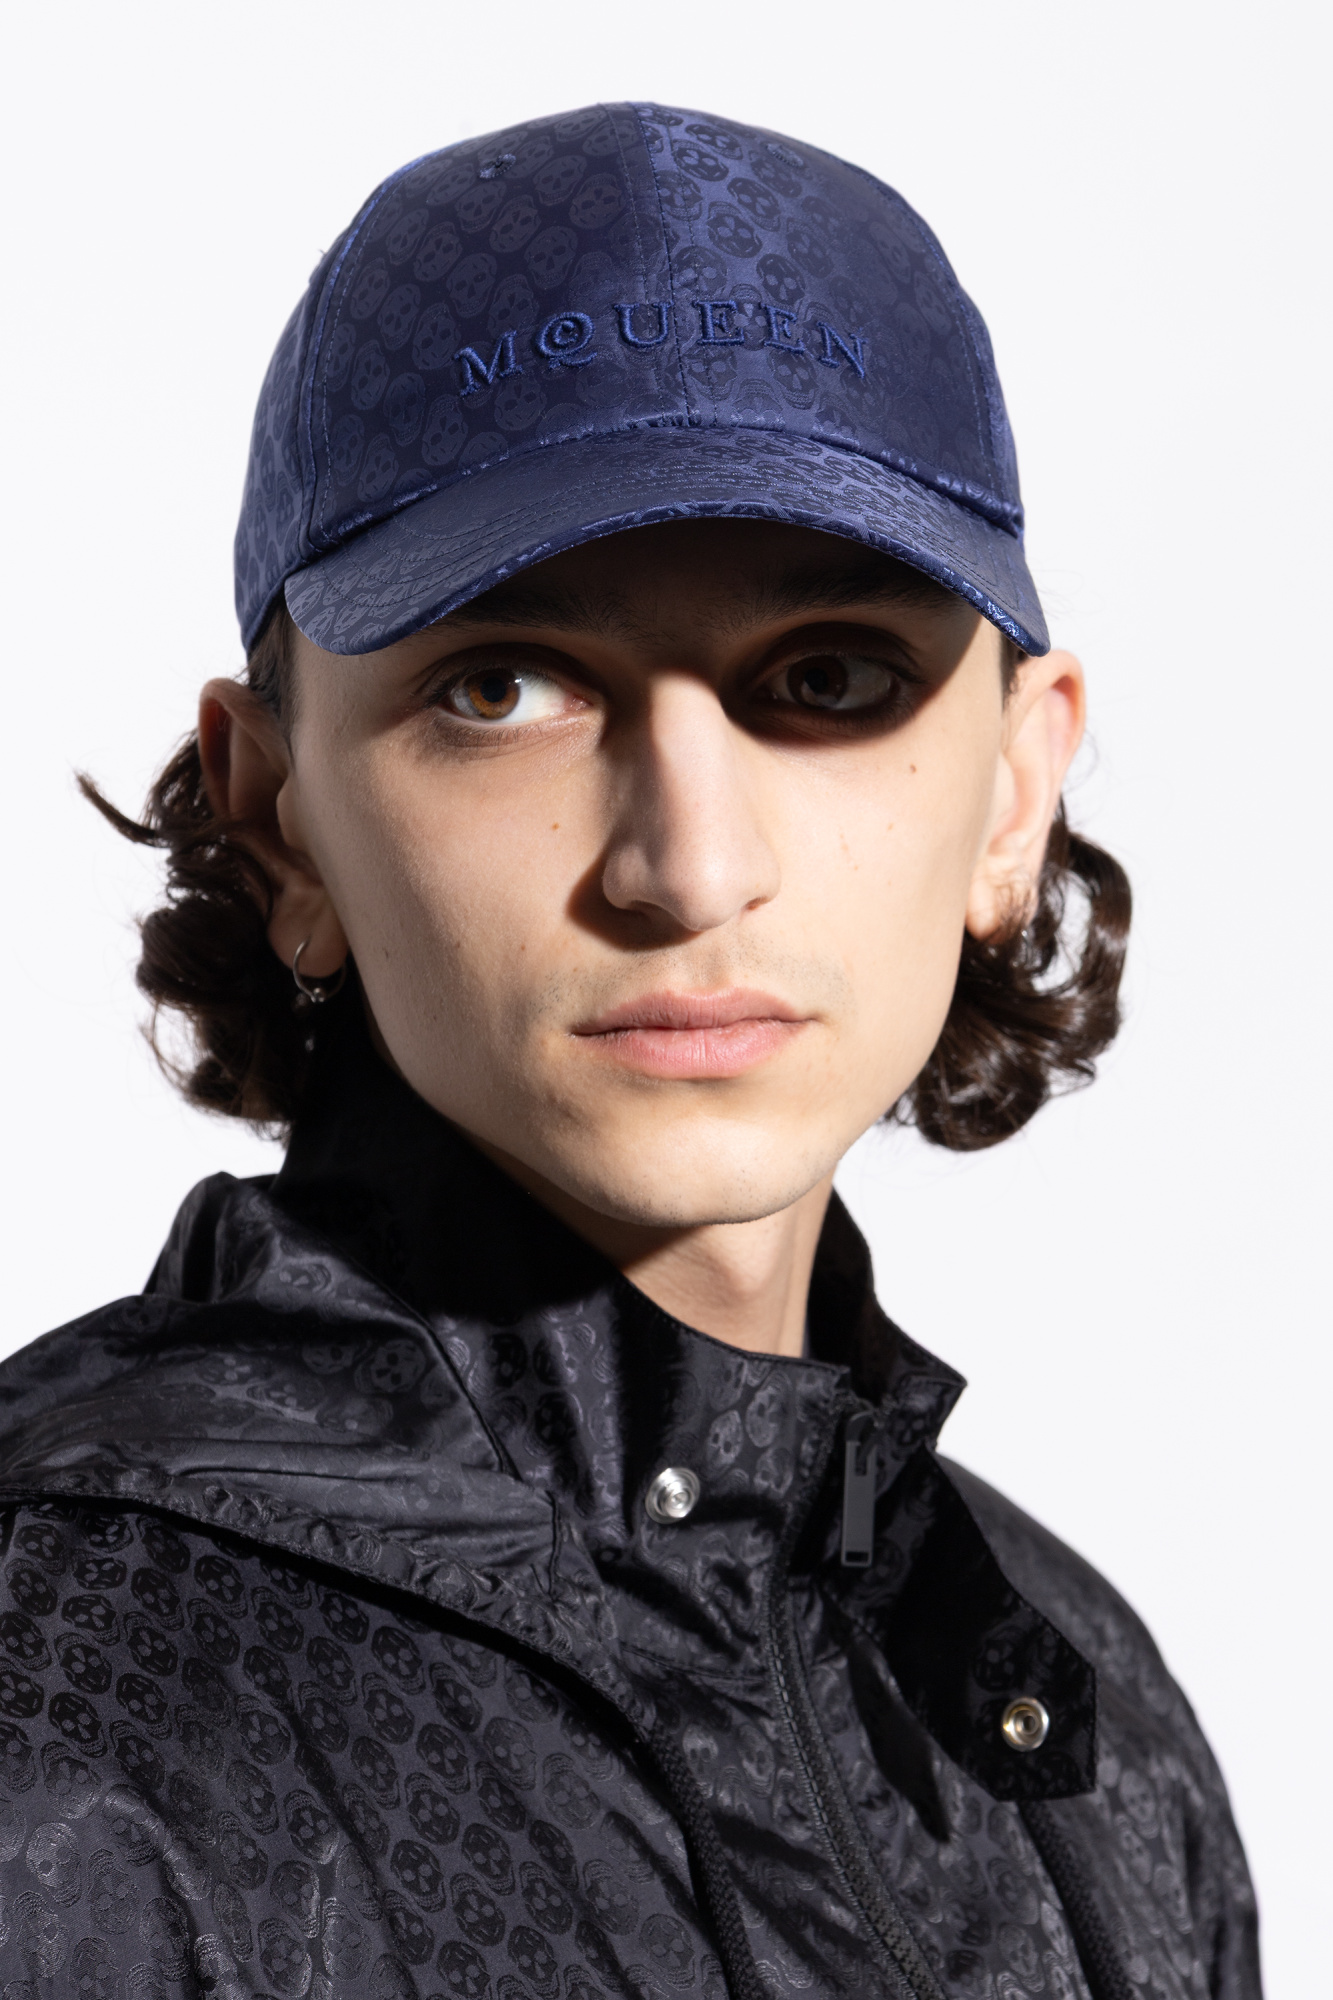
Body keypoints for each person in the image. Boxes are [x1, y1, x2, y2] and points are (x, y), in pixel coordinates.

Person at [0, 103, 1258, 2000]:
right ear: (280, 823)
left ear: (1012, 795)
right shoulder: (60, 1720)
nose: (689, 864)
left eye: (824, 679)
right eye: (503, 687)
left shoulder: (1083, 1725)